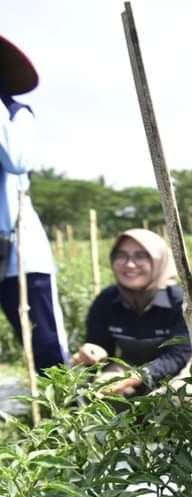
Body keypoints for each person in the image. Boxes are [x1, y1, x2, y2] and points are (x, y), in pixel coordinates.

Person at [0, 34, 67, 371]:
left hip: (19, 255)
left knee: (46, 349)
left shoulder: (16, 115)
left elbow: (18, 160)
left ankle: (67, 404)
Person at [70, 229, 191, 396]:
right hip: (130, 367)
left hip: (179, 372)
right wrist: (92, 353)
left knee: (181, 397)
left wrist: (137, 376)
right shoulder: (107, 300)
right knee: (101, 391)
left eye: (140, 256)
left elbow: (177, 357)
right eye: (121, 255)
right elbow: (101, 347)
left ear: (158, 261)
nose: (129, 264)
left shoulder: (179, 302)